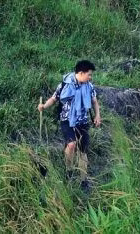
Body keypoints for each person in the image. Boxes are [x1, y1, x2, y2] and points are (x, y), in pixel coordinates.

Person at [38, 60, 101, 190]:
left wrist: (97, 115)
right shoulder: (64, 84)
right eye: (89, 74)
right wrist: (44, 106)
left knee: (83, 151)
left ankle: (83, 180)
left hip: (83, 121)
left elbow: (94, 101)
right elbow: (54, 98)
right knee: (71, 144)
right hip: (67, 120)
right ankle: (69, 170)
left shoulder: (89, 86)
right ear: (81, 73)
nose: (90, 77)